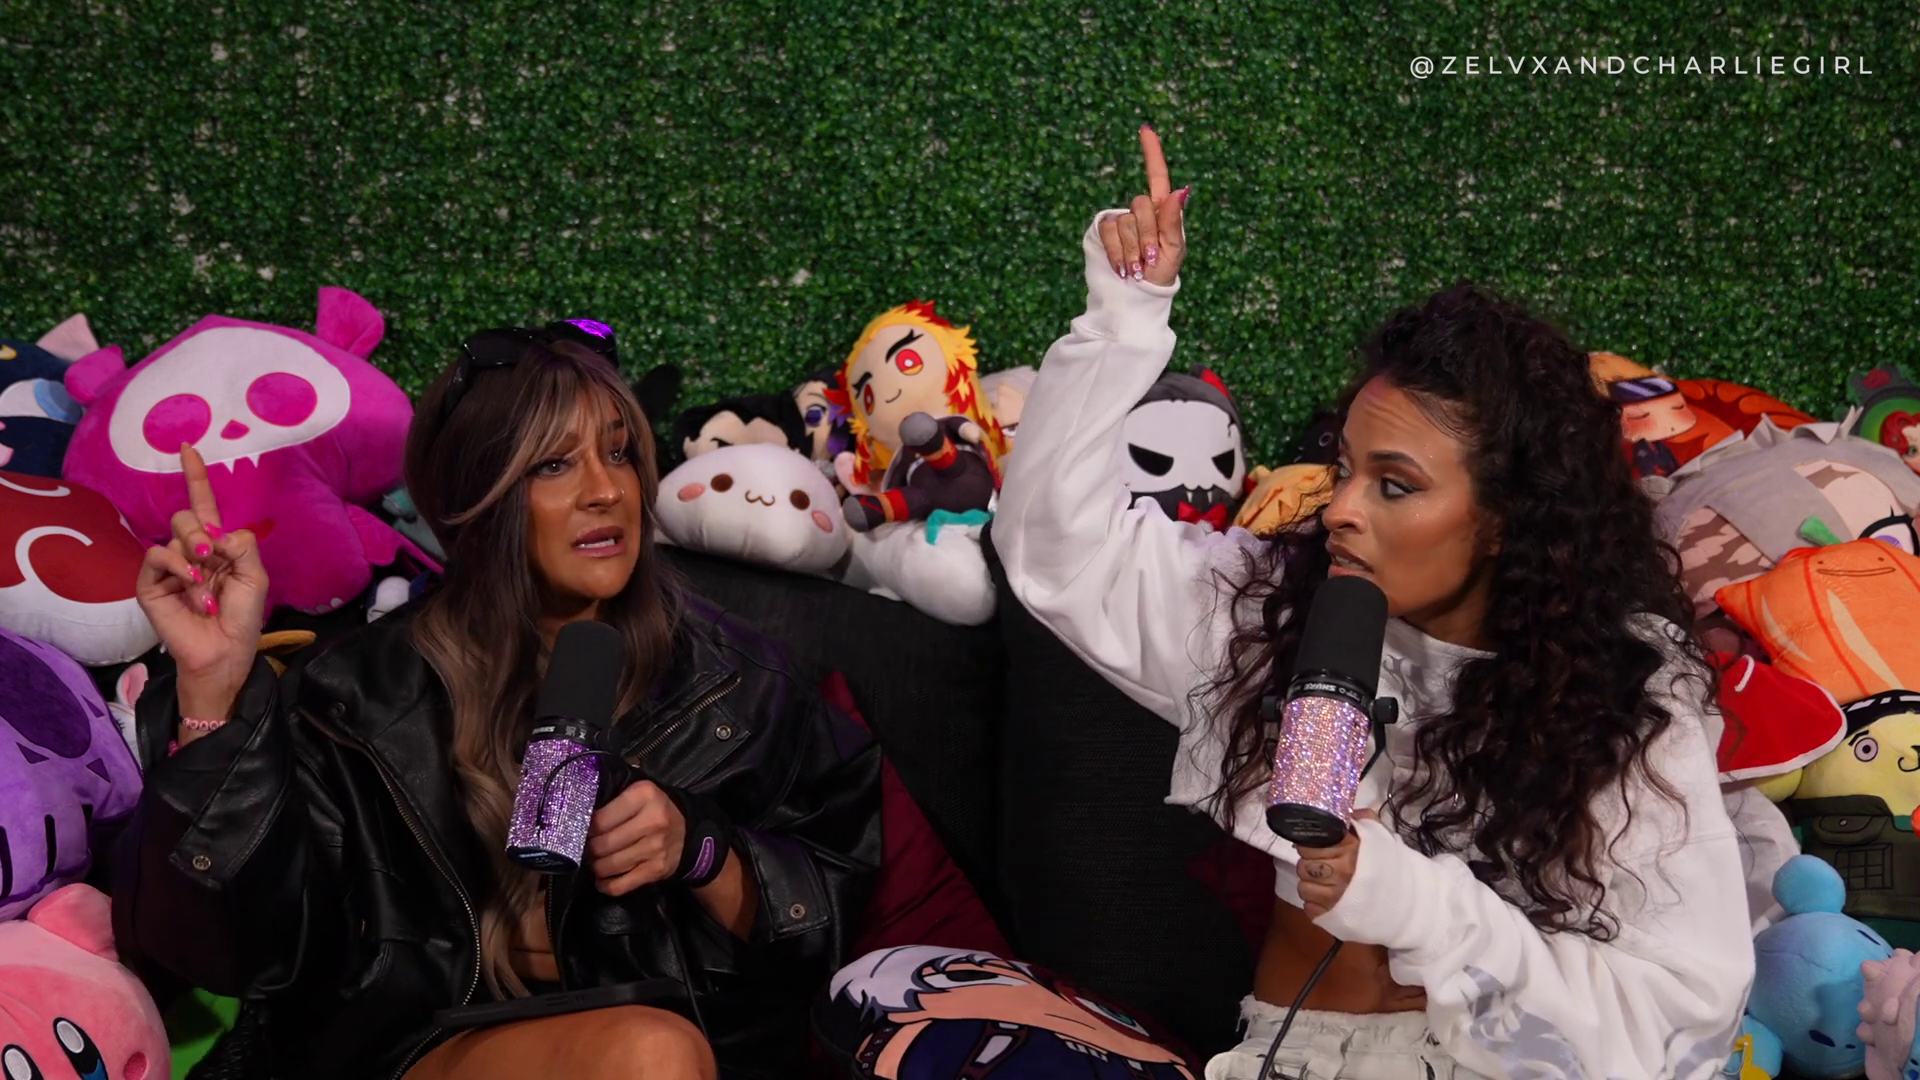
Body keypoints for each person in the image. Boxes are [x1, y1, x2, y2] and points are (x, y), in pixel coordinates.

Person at [995, 127, 1753, 1080]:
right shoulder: (1276, 617)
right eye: (1346, 467)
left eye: (1396, 485)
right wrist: (1123, 318)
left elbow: (1679, 1025)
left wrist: (1414, 902)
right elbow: (1054, 550)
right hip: (1289, 1050)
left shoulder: (1619, 695)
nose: (1342, 509)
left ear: (1509, 520)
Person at [112, 322, 882, 1080]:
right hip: (426, 1046)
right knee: (650, 1057)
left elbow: (830, 922)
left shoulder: (739, 681)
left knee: (657, 1051)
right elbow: (229, 951)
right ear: (477, 497)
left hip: (684, 1040)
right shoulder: (352, 699)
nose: (606, 490)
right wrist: (213, 688)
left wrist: (701, 849)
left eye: (619, 452)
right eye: (554, 464)